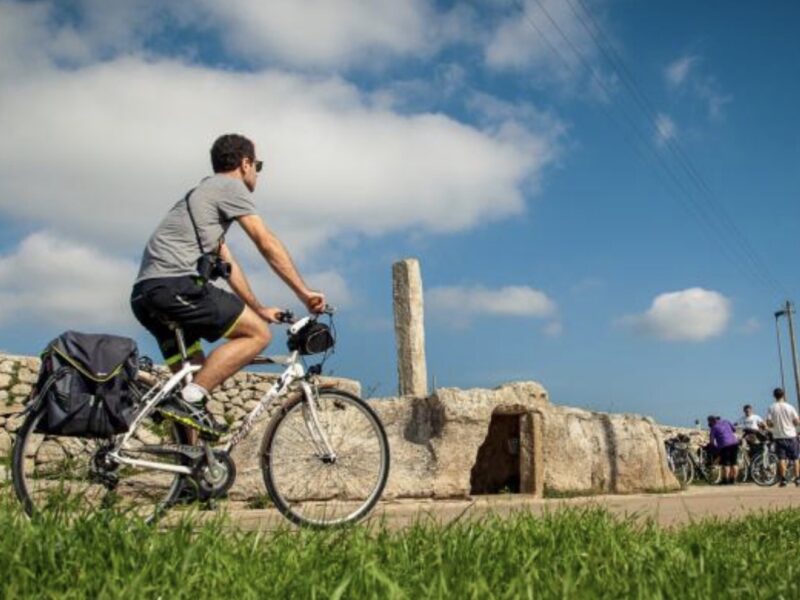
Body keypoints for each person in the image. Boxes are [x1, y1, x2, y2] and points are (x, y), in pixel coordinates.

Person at [130, 134, 325, 437]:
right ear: (245, 163)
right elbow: (265, 241)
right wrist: (304, 292)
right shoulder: (229, 186)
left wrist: (258, 307)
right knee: (258, 335)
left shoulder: (200, 200)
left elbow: (228, 265)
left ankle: (190, 473)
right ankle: (191, 400)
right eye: (257, 165)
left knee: (192, 375)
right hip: (174, 285)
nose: (256, 172)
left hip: (146, 296)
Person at [765, 388, 800, 487]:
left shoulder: (771, 407)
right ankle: (797, 479)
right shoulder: (790, 407)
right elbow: (797, 422)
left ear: (774, 396)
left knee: (781, 458)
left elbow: (769, 423)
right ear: (783, 395)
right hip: (791, 435)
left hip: (778, 436)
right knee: (795, 458)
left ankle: (783, 479)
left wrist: (774, 424)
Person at [706, 415, 739, 484]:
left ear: (711, 422)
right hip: (734, 443)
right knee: (734, 462)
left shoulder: (714, 428)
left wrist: (713, 447)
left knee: (726, 464)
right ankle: (733, 480)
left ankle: (725, 480)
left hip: (724, 445)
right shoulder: (726, 421)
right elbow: (734, 429)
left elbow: (711, 441)